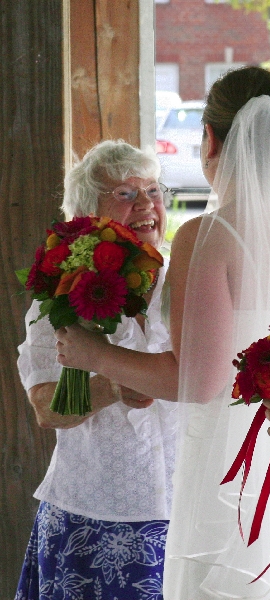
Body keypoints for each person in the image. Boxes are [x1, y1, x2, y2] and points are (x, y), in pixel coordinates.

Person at [54, 66, 270, 599]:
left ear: (211, 140)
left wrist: (91, 352)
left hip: (234, 464)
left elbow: (195, 380)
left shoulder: (208, 235)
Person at [15, 140, 177, 600]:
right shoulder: (57, 297)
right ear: (89, 212)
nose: (146, 204)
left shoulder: (184, 282)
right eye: (126, 193)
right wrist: (111, 385)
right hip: (93, 516)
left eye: (153, 190)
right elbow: (47, 407)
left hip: (186, 509)